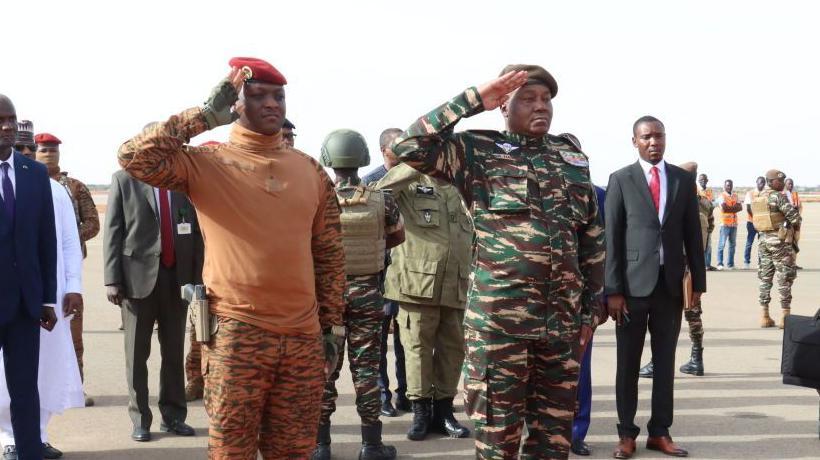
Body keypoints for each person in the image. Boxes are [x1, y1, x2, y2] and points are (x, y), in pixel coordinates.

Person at [116, 57, 346, 459]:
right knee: (231, 453)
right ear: (233, 104)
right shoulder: (208, 163)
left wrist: (332, 328)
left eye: (279, 96)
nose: (272, 104)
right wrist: (202, 116)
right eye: (257, 96)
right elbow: (134, 157)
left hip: (302, 338)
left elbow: (328, 256)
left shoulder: (310, 171)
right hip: (237, 335)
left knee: (294, 452)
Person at [390, 65, 605, 459]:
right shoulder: (475, 152)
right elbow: (409, 146)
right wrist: (473, 99)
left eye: (546, 99)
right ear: (502, 105)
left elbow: (591, 238)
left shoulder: (570, 157)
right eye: (528, 98)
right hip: (499, 325)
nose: (540, 106)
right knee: (497, 439)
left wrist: (590, 312)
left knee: (553, 442)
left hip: (560, 326)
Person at [605, 116, 706, 459]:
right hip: (631, 290)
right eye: (646, 137)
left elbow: (693, 234)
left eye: (659, 136)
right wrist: (613, 290)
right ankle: (626, 434)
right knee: (628, 364)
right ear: (634, 141)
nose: (654, 142)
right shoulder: (621, 180)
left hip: (670, 288)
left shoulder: (681, 180)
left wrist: (699, 286)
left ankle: (660, 432)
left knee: (665, 362)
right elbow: (612, 239)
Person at [312, 129, 404, 460]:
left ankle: (320, 446)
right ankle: (372, 446)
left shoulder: (317, 200)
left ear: (328, 160)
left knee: (325, 368)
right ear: (363, 157)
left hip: (328, 297)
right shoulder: (383, 199)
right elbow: (396, 238)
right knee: (367, 370)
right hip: (368, 293)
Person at [375, 161, 472, 442]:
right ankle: (420, 412)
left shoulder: (459, 185)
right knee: (417, 349)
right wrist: (416, 162)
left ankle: (443, 412)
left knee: (452, 351)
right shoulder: (409, 184)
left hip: (456, 282)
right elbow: (379, 192)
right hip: (417, 285)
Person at [104, 166, 201, 442]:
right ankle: (140, 419)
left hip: (177, 279)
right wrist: (112, 279)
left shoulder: (182, 181)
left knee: (173, 353)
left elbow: (195, 233)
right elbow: (113, 230)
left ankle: (173, 417)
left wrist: (195, 279)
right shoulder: (124, 180)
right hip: (137, 281)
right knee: (136, 356)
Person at [0, 177, 84, 460]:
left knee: (42, 371)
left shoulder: (52, 189)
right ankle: (9, 437)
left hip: (42, 298)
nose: (24, 154)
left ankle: (37, 436)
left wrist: (73, 285)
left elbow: (67, 242)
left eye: (28, 148)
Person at [0, 94, 58, 460]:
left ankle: (30, 453)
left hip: (24, 304)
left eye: (11, 119)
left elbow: (45, 240)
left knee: (25, 391)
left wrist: (46, 298)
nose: (6, 126)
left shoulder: (34, 173)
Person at [33, 132, 100, 407]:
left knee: (73, 335)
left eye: (53, 150)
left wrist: (66, 239)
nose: (49, 154)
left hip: (68, 273)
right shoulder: (26, 184)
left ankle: (75, 388)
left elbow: (93, 223)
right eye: (43, 150)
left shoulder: (73, 187)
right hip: (35, 273)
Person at [638, 162, 713, 379]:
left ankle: (656, 361)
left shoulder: (673, 200)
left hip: (673, 266)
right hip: (690, 267)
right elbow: (709, 229)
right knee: (693, 314)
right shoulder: (706, 203)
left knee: (662, 318)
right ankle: (697, 359)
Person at [363, 128, 409, 417]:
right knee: (378, 341)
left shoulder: (414, 179)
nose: (403, 152)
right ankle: (382, 396)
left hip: (408, 274)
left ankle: (407, 394)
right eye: (396, 147)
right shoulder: (370, 183)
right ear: (383, 150)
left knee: (406, 339)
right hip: (379, 274)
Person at [572, 181, 606, 458]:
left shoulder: (599, 196)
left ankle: (576, 433)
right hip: (538, 302)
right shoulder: (537, 187)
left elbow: (608, 248)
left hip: (582, 300)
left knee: (581, 370)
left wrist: (604, 298)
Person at [753, 170, 801, 329]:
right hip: (778, 241)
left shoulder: (759, 196)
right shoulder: (777, 197)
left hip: (763, 241)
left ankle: (764, 316)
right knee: (784, 277)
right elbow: (795, 217)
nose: (782, 183)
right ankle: (785, 317)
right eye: (779, 181)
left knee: (765, 278)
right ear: (771, 182)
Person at [716, 179, 741, 270]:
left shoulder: (735, 195)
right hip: (725, 224)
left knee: (732, 245)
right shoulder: (721, 196)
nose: (729, 187)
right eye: (727, 185)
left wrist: (730, 208)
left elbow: (740, 207)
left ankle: (730, 264)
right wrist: (734, 208)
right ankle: (720, 263)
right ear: (724, 186)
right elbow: (724, 208)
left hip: (734, 224)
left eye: (730, 185)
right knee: (721, 244)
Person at [743, 176, 766, 269]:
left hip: (763, 223)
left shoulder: (766, 193)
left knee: (762, 243)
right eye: (760, 182)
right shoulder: (750, 193)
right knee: (749, 242)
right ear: (756, 182)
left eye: (763, 183)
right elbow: (748, 208)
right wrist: (756, 218)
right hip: (751, 222)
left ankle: (760, 262)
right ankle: (746, 262)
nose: (762, 184)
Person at [697, 174, 716, 271]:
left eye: (704, 180)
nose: (702, 181)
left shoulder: (709, 192)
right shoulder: (696, 190)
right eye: (700, 180)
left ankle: (707, 264)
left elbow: (711, 207)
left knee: (707, 246)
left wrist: (710, 227)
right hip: (697, 226)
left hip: (706, 225)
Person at [783, 178, 803, 269]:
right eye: (789, 184)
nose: (791, 185)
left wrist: (797, 211)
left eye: (792, 184)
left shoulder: (795, 194)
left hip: (796, 223)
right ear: (785, 185)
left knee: (795, 243)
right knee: (787, 243)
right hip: (787, 223)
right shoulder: (783, 194)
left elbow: (800, 207)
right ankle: (787, 263)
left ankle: (793, 263)